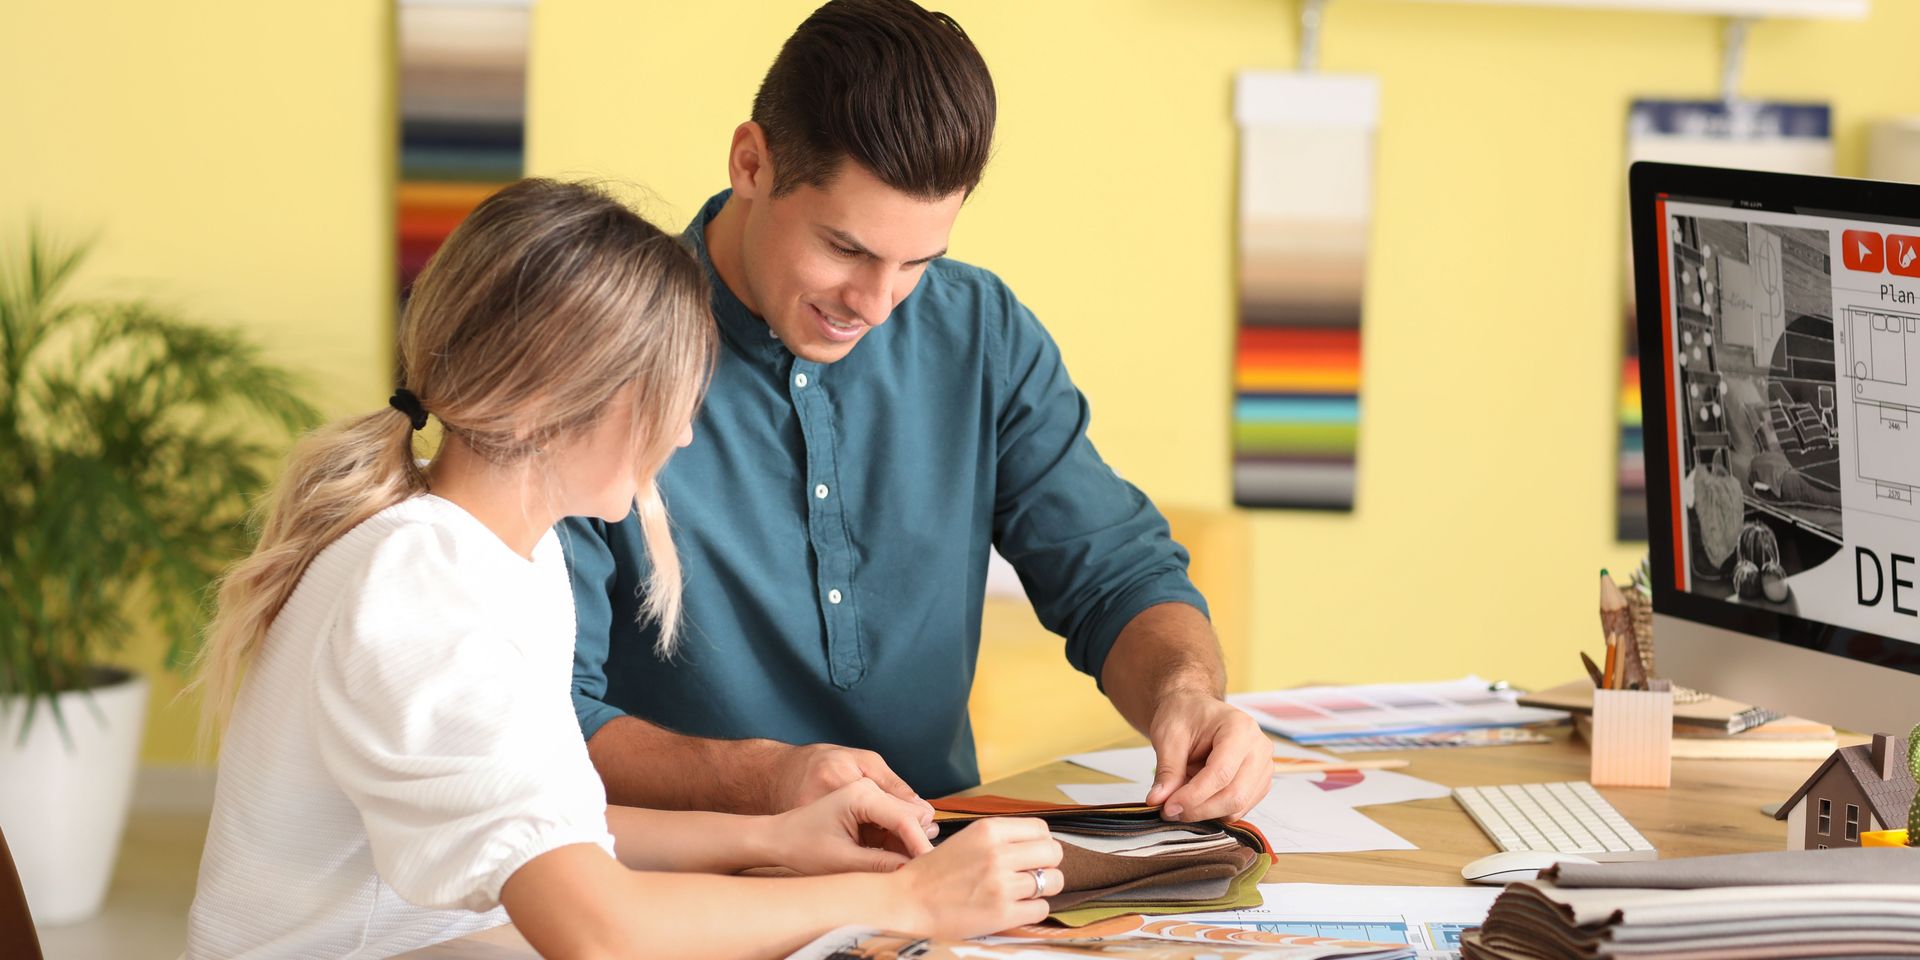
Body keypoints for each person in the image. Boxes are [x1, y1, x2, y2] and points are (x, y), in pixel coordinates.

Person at [184, 179, 1063, 960]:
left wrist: (781, 842)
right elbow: (594, 929)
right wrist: (907, 898)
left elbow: (554, 829)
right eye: (668, 399)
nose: (682, 437)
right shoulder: (422, 586)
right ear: (549, 399)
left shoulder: (507, 561)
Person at [566, 0, 1272, 822]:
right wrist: (771, 779)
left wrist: (1186, 696)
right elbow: (546, 718)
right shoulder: (596, 351)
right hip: (685, 882)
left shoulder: (980, 332)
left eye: (917, 262)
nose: (874, 302)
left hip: (941, 875)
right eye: (846, 249)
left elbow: (1116, 575)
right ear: (751, 163)